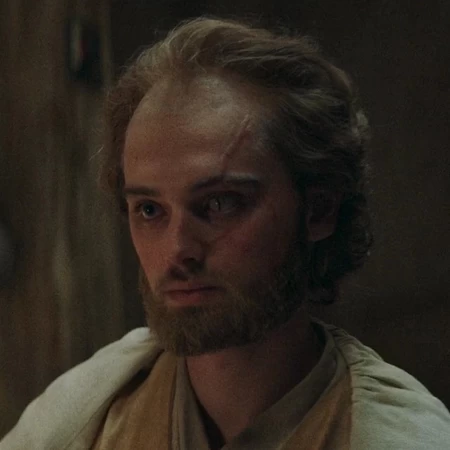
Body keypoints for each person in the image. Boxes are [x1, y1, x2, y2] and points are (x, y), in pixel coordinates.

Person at [2, 17, 450, 450]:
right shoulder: (86, 413)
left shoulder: (396, 437)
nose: (178, 250)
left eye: (220, 204)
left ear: (318, 210)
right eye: (150, 210)